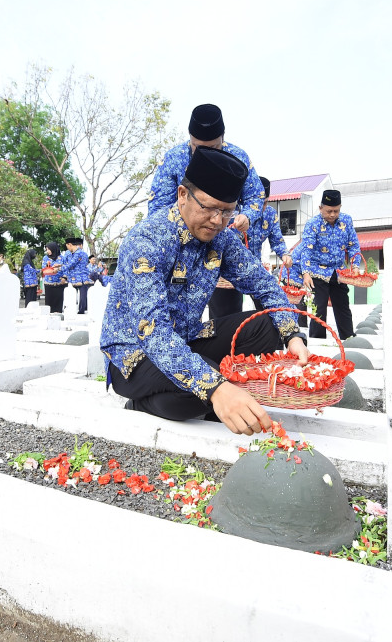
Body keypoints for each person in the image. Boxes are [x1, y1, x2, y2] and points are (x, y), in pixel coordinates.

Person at [100, 147, 309, 436]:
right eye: (209, 208)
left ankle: (216, 385)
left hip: (186, 339)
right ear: (183, 195)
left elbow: (264, 284)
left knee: (269, 324)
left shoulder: (222, 238)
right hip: (135, 356)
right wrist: (216, 387)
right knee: (202, 386)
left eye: (227, 211)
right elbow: (154, 331)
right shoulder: (147, 240)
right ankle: (142, 404)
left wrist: (293, 337)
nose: (216, 220)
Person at [148, 104, 267, 320]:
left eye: (213, 147)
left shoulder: (238, 157)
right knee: (173, 314)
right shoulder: (173, 158)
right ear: (190, 138)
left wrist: (246, 215)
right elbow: (158, 208)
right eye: (197, 147)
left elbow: (256, 196)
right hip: (179, 249)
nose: (204, 154)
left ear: (223, 138)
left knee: (224, 314)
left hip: (220, 244)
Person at [299, 189, 362, 340]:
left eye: (336, 210)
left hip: (339, 273)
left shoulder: (346, 221)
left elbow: (353, 246)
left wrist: (355, 266)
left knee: (343, 307)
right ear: (321, 208)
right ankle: (317, 342)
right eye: (329, 211)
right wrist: (306, 273)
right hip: (317, 273)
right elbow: (306, 249)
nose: (333, 214)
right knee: (318, 309)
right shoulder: (312, 224)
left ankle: (348, 339)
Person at [248, 176, 293, 310]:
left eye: (266, 202)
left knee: (267, 306)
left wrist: (285, 255)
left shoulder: (270, 214)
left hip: (255, 269)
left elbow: (277, 241)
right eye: (259, 202)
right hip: (229, 270)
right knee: (226, 311)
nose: (263, 207)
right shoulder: (235, 211)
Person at [61, 237, 91, 314]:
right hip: (77, 278)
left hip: (80, 278)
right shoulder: (82, 253)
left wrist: (58, 269)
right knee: (79, 296)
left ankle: (80, 312)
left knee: (81, 297)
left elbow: (71, 264)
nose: (67, 249)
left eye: (67, 247)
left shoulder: (78, 253)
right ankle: (79, 310)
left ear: (70, 244)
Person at [41, 242, 66, 313]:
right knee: (49, 303)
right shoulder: (45, 258)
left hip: (59, 284)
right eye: (46, 249)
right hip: (49, 284)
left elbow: (66, 268)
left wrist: (64, 278)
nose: (47, 251)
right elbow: (43, 268)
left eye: (49, 249)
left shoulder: (62, 258)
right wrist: (48, 267)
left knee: (59, 302)